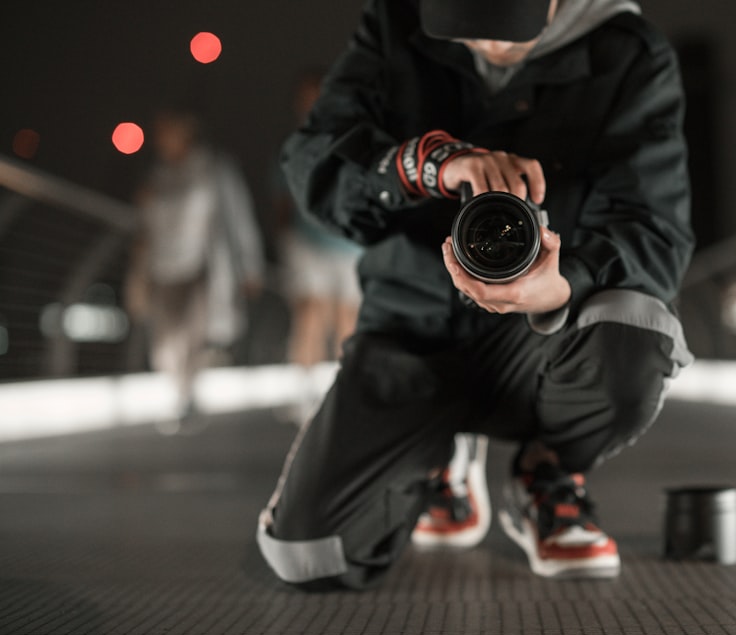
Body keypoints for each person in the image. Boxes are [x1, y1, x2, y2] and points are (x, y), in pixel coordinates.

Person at [257, 0, 695, 589]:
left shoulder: (626, 53)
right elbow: (313, 160)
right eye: (463, 30)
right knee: (308, 553)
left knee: (636, 324)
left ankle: (547, 467)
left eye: (503, 29)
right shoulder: (395, 25)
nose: (486, 47)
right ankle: (436, 454)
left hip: (539, 343)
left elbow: (653, 228)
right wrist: (421, 165)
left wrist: (558, 287)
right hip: (410, 333)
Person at [126, 107, 265, 431]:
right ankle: (179, 392)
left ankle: (187, 398)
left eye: (165, 132)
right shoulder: (156, 175)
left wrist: (250, 265)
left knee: (193, 333)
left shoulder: (214, 167)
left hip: (201, 264)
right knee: (164, 339)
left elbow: (238, 217)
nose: (159, 140)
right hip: (161, 267)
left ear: (184, 132)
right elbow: (144, 225)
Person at [275, 68, 364, 421]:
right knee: (310, 314)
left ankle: (343, 393)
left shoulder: (355, 136)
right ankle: (304, 392)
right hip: (307, 242)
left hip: (349, 245)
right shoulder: (293, 144)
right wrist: (285, 242)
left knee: (347, 320)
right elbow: (281, 201)